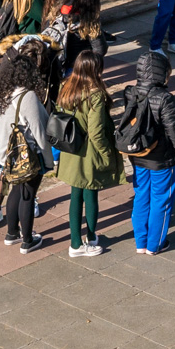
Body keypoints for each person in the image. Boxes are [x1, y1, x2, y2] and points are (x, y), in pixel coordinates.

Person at [116, 51, 175, 254]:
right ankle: (155, 244)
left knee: (141, 197)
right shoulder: (165, 98)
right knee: (161, 200)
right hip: (162, 158)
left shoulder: (130, 92)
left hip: (139, 155)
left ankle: (141, 242)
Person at [54, 51, 122, 256]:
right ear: (95, 69)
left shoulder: (65, 87)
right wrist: (107, 154)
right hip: (89, 152)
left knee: (76, 194)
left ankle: (75, 240)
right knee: (91, 193)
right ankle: (88, 239)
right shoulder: (96, 95)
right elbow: (96, 131)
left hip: (70, 149)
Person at [0, 43, 51, 253]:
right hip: (29, 154)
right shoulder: (29, 97)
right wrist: (49, 160)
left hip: (10, 155)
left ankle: (12, 233)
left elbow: (0, 129)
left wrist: (1, 158)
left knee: (15, 191)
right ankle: (27, 240)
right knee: (28, 194)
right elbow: (38, 130)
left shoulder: (4, 95)